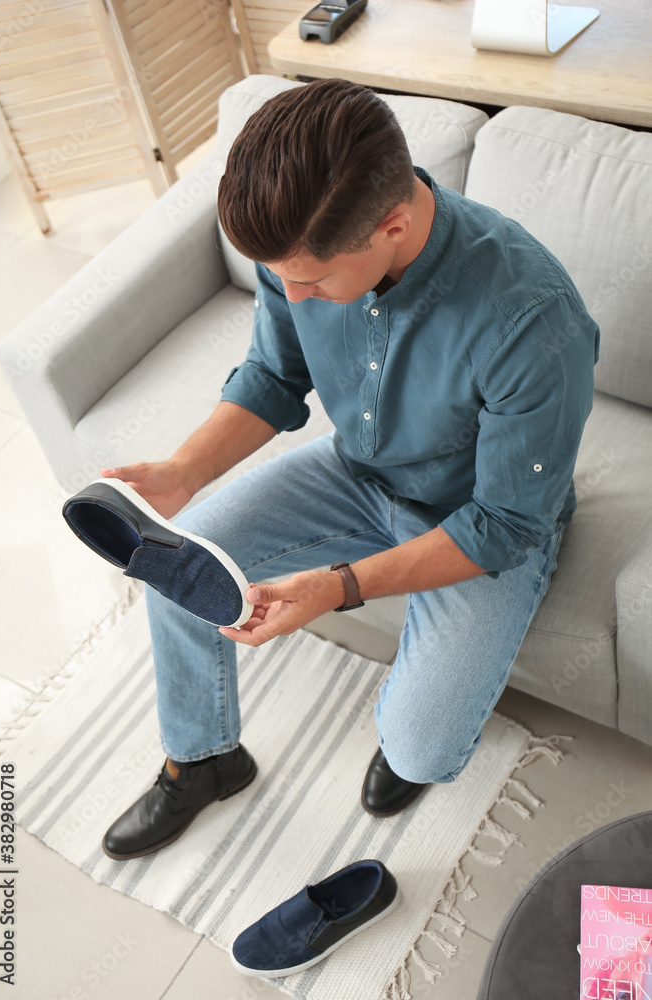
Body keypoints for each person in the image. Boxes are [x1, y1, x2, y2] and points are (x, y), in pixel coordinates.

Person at [100, 79, 599, 860]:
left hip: (477, 519)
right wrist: (180, 472)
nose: (289, 292)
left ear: (392, 225)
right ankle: (202, 760)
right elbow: (273, 377)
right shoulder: (298, 251)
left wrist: (339, 585)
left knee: (422, 751)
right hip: (356, 473)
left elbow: (505, 523)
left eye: (309, 280)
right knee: (175, 560)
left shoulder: (531, 321)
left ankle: (407, 735)